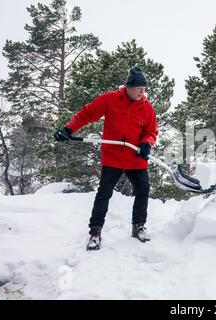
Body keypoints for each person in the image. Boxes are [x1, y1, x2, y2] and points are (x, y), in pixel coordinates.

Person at [54, 66, 158, 250]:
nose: (142, 92)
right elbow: (87, 113)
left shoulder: (147, 107)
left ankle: (138, 227)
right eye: (139, 88)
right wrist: (69, 129)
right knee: (104, 193)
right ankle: (95, 232)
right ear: (128, 87)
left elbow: (151, 131)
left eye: (144, 88)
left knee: (143, 190)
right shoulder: (110, 99)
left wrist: (146, 143)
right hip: (114, 156)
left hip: (135, 157)